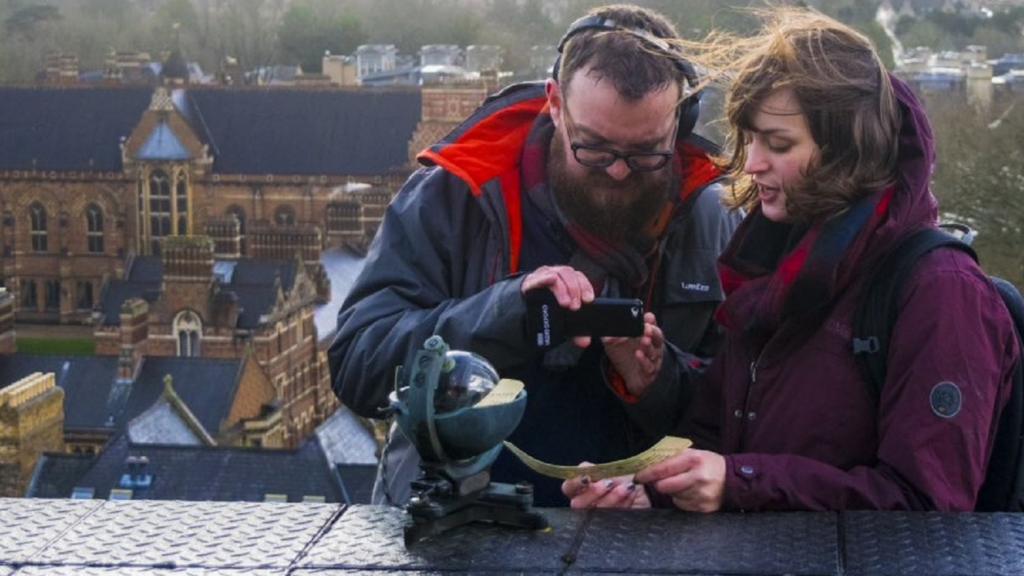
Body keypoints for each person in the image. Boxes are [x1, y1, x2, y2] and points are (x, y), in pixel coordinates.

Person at [564, 8, 1020, 512]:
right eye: (752, 139)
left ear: (846, 151)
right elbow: (727, 431)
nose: (753, 162)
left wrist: (739, 483)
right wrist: (643, 491)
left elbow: (928, 507)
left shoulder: (941, 292)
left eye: (779, 144)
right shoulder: (772, 266)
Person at [329, 3, 741, 506]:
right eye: (593, 148)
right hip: (458, 527)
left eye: (645, 153)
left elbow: (748, 412)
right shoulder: (456, 197)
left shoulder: (715, 219)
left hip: (645, 537)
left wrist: (657, 378)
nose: (617, 172)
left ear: (680, 121)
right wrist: (507, 312)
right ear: (555, 104)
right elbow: (357, 366)